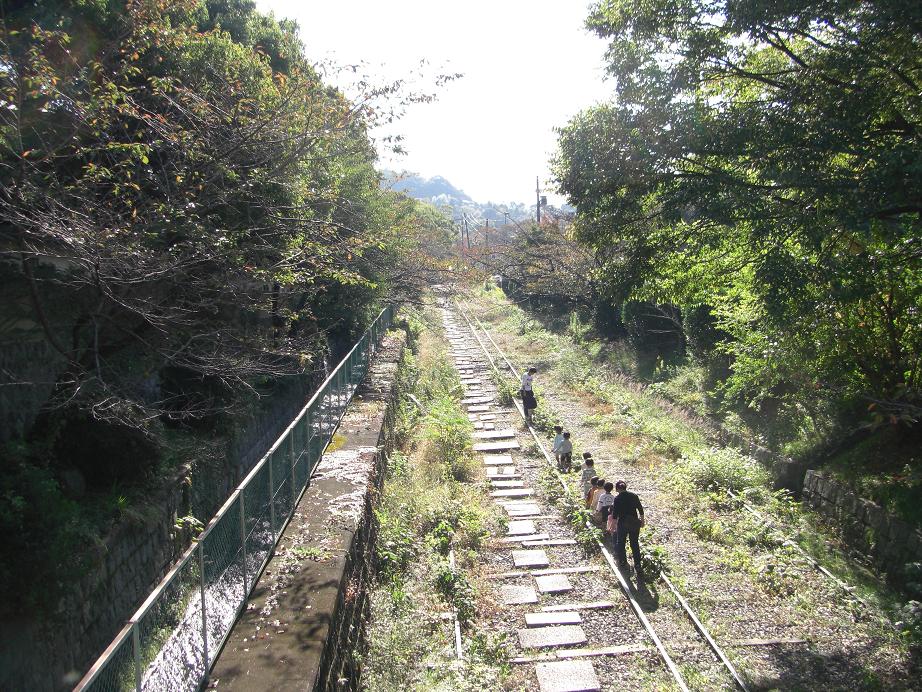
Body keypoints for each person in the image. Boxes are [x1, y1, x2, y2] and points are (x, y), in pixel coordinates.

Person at [610, 480, 645, 575]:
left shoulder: (617, 498)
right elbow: (640, 509)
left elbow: (615, 515)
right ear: (625, 487)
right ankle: (637, 564)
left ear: (617, 489)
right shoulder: (633, 495)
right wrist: (642, 521)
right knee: (634, 543)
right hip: (634, 523)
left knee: (621, 542)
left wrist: (612, 526)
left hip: (622, 523)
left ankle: (623, 562)